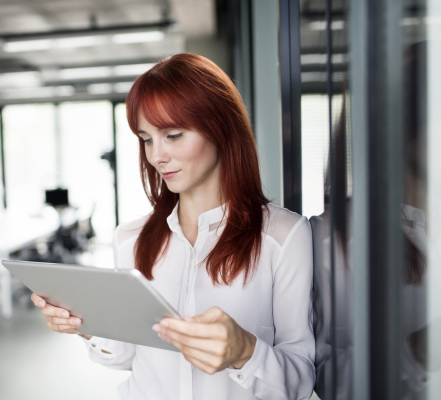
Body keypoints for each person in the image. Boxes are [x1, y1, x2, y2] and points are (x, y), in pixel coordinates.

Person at [31, 53, 315, 400]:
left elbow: (300, 381)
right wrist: (86, 324)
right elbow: (127, 355)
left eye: (174, 135)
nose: (156, 156)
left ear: (221, 126)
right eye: (147, 138)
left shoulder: (284, 236)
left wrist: (245, 352)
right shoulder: (131, 239)